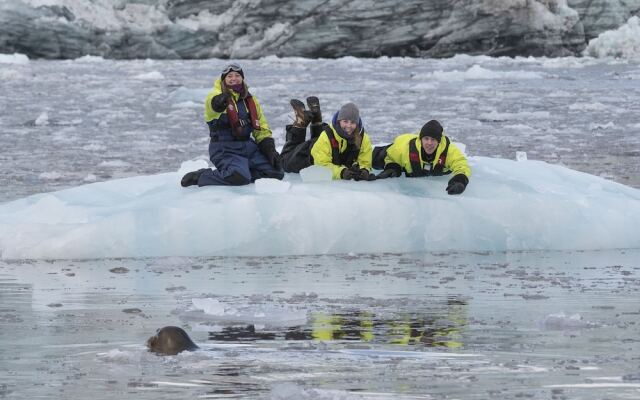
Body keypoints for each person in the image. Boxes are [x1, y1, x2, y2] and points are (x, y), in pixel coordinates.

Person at [181, 63, 283, 187]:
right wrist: (217, 102)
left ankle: (241, 171)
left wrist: (269, 149)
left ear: (242, 78)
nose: (233, 78)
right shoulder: (216, 95)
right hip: (225, 148)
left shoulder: (250, 99)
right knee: (239, 177)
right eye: (229, 76)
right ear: (224, 79)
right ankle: (202, 176)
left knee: (276, 173)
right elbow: (212, 106)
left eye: (237, 75)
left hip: (248, 147)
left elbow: (261, 125)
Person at [280, 97, 374, 181]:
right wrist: (341, 172)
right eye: (345, 121)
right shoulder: (326, 136)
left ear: (357, 124)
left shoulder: (363, 138)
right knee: (284, 161)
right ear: (339, 121)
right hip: (307, 156)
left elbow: (365, 160)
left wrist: (364, 170)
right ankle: (301, 120)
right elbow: (322, 165)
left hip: (321, 145)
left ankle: (316, 117)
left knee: (323, 140)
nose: (349, 126)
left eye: (353, 122)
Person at [372, 120, 471, 195]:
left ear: (439, 141)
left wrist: (460, 180)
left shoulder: (449, 151)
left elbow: (461, 165)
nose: (429, 143)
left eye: (433, 139)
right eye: (426, 139)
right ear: (421, 139)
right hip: (399, 146)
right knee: (376, 161)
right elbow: (390, 157)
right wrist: (392, 167)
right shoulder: (405, 148)